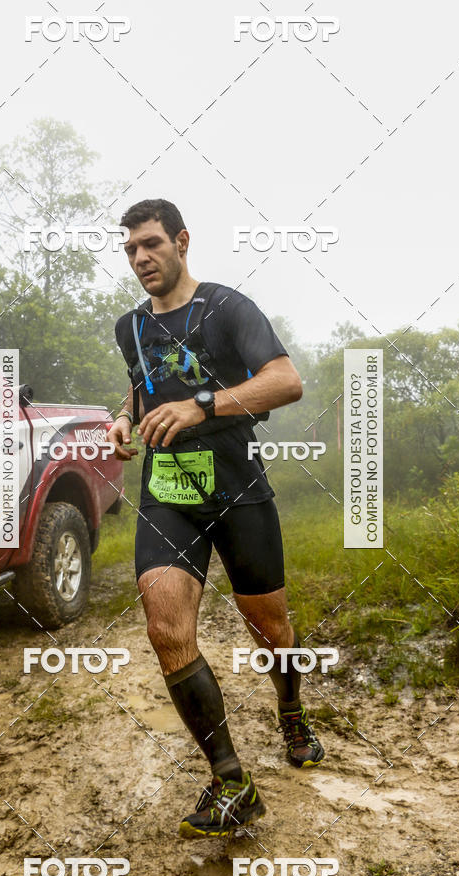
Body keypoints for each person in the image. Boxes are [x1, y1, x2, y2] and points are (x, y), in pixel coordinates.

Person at [110, 199, 324, 839]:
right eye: (130, 250)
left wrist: (203, 405)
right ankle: (232, 779)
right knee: (165, 626)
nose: (141, 258)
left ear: (180, 242)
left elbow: (286, 382)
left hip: (237, 488)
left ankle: (291, 710)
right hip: (168, 492)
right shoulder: (129, 326)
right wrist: (124, 418)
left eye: (151, 244)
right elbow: (140, 382)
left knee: (271, 625)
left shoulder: (228, 308)